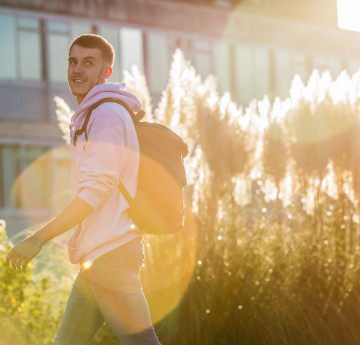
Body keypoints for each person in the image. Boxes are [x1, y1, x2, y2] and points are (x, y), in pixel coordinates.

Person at [6, 34, 162, 345]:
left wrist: (39, 239)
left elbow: (96, 191)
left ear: (106, 72)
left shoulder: (104, 115)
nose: (77, 70)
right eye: (73, 61)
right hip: (99, 257)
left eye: (88, 63)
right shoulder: (94, 114)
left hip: (112, 257)